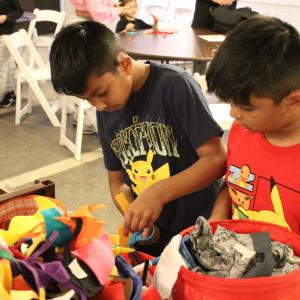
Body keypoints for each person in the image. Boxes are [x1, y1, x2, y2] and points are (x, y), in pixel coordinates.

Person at [50, 21, 227, 255]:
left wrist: (158, 193)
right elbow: (117, 182)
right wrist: (133, 213)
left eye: (101, 93)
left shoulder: (174, 87)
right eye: (88, 100)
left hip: (200, 231)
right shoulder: (107, 112)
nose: (99, 106)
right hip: (154, 240)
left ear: (124, 64)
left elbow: (216, 160)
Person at [206, 15, 300, 234]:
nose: (233, 113)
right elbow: (233, 183)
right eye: (230, 101)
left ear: (293, 101)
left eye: (247, 108)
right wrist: (219, 214)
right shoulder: (244, 130)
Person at [0, 0, 23, 108]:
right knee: (6, 64)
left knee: (1, 66)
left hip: (6, 36)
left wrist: (6, 17)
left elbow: (19, 11)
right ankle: (10, 93)